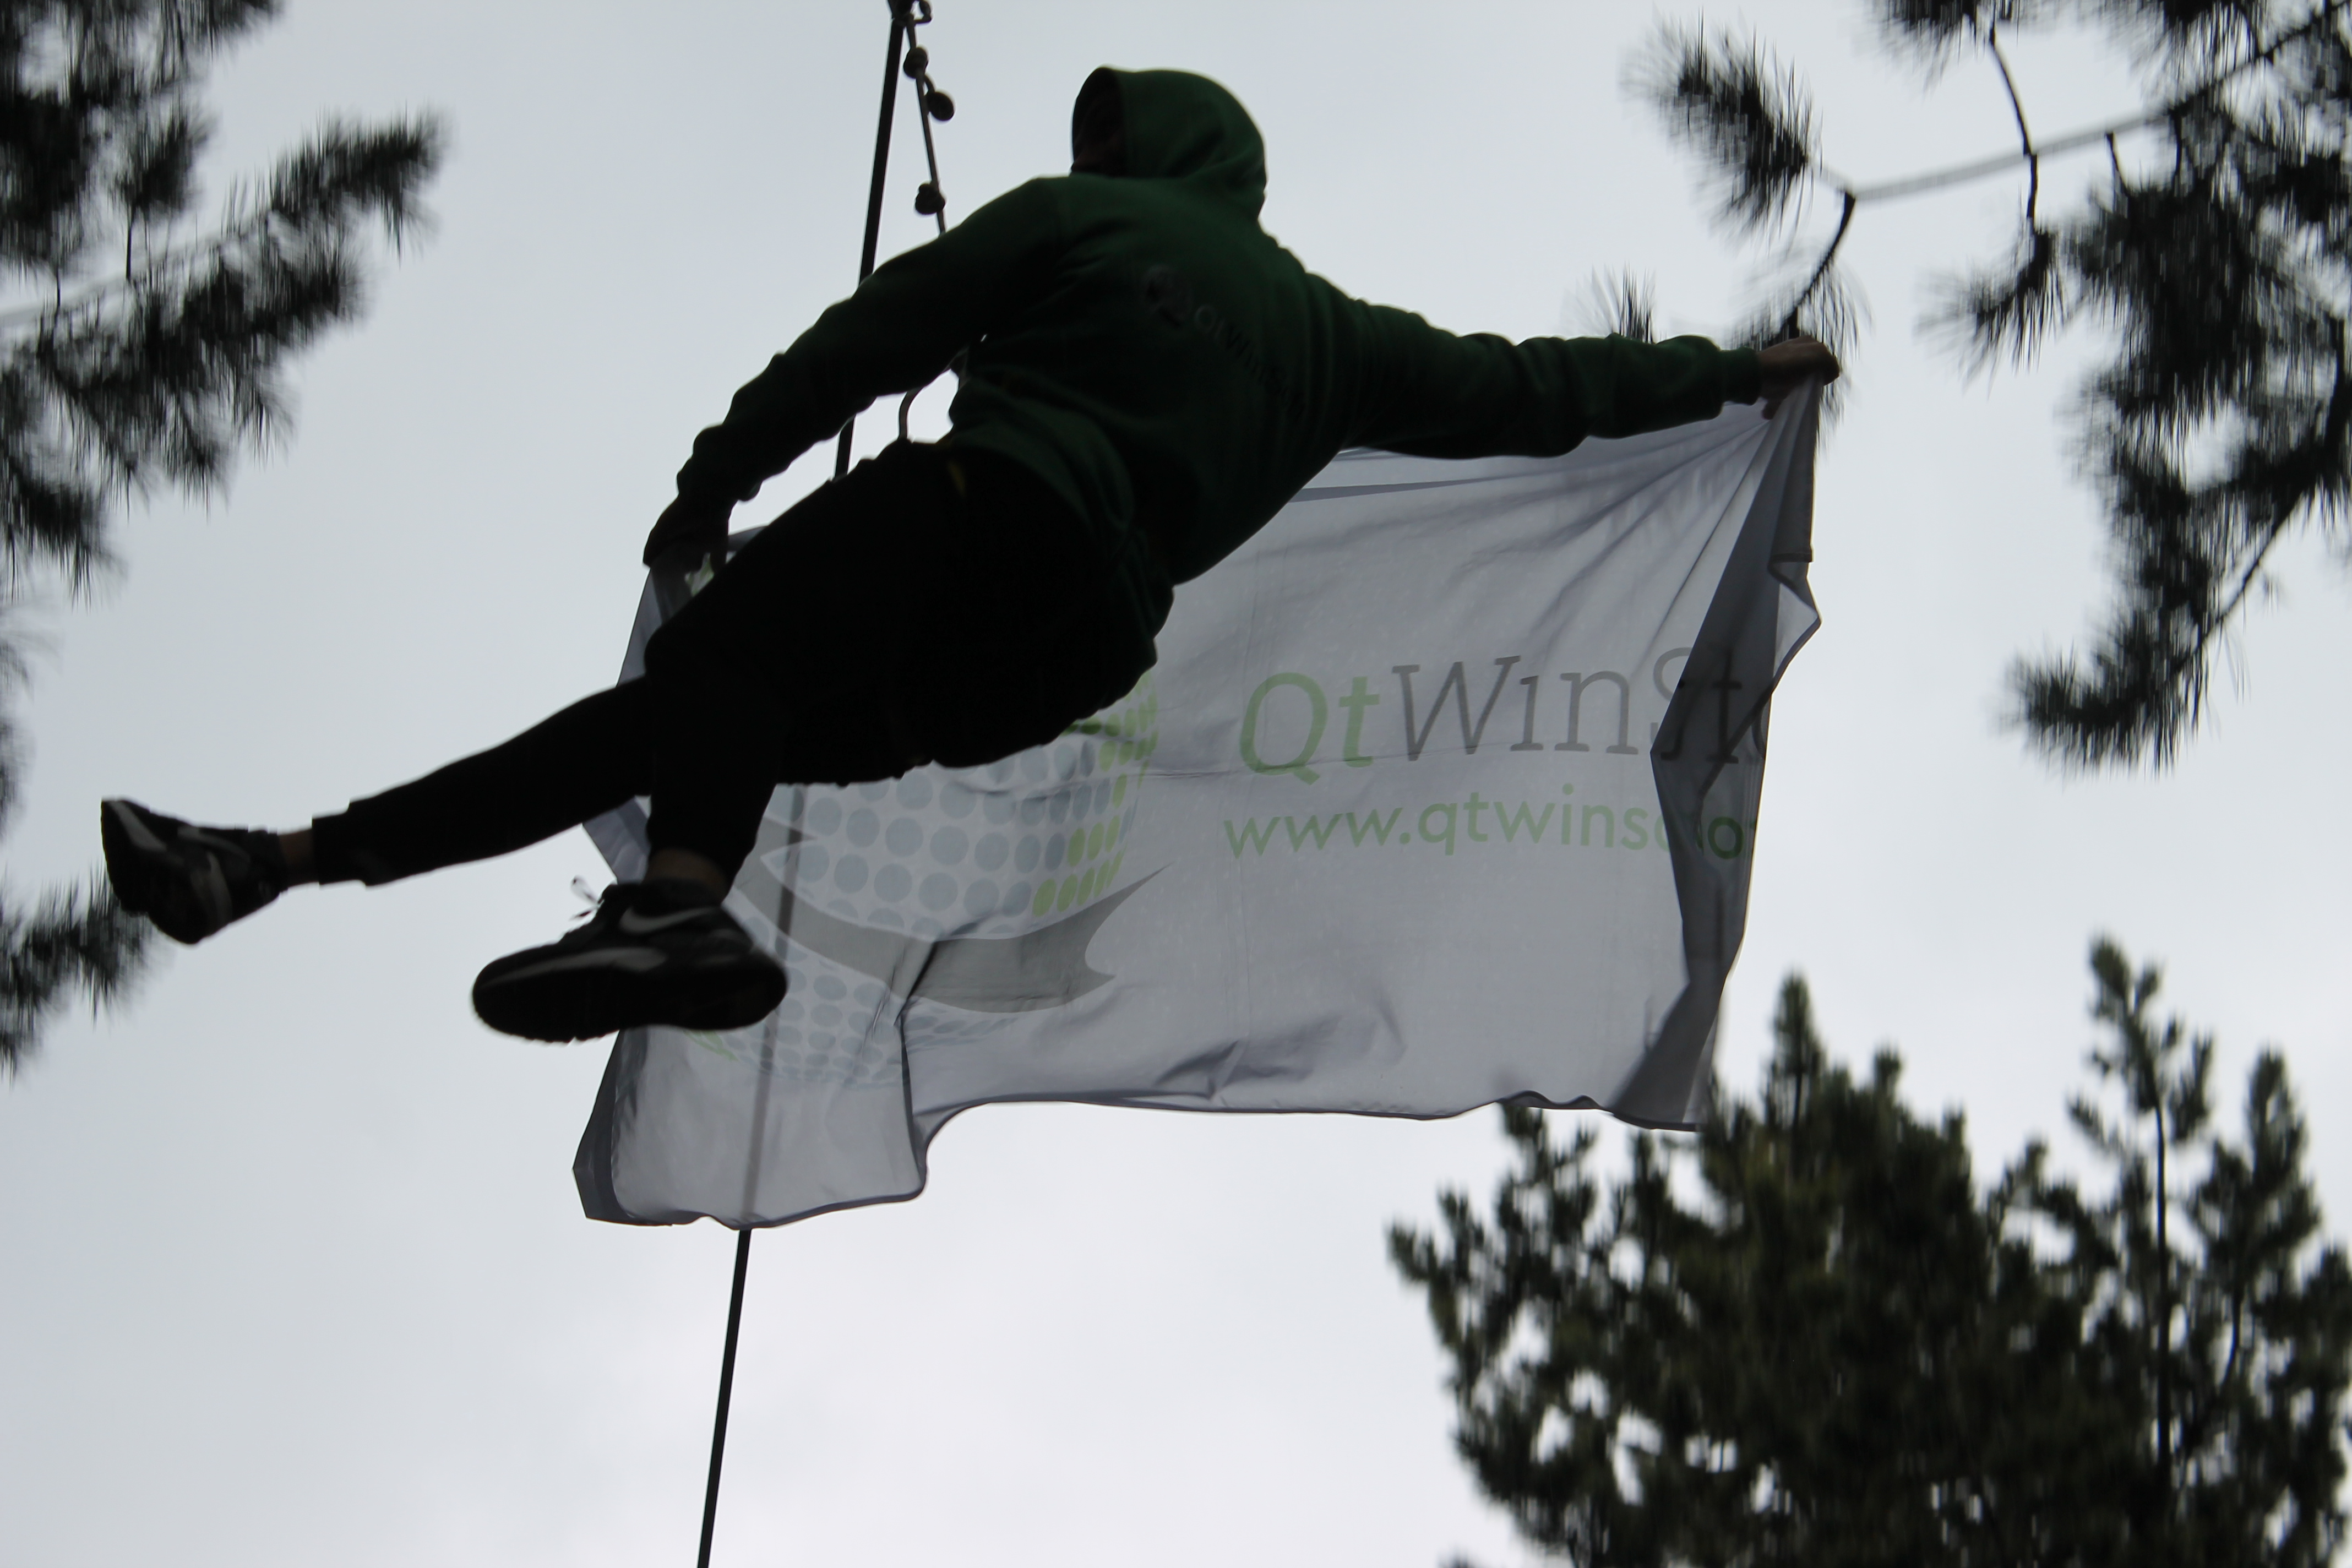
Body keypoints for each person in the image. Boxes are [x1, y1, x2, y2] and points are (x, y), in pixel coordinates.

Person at [101, 67, 1839, 1044]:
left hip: (978, 519)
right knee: (679, 726)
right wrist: (1725, 374)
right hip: (1042, 667)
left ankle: (678, 915)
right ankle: (277, 862)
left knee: (707, 675)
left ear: (1148, 157)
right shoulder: (1336, 342)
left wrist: (714, 483)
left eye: (1110, 143)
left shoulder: (1085, 220)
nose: (1097, 159)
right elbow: (1537, 393)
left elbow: (875, 339)